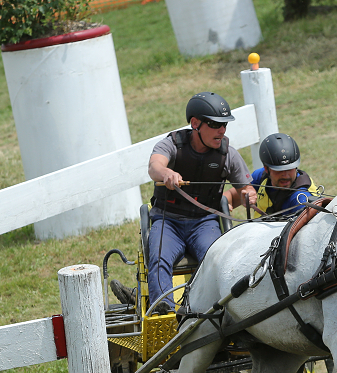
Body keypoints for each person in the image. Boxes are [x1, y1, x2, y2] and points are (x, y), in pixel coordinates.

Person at [110, 92, 257, 314]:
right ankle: (165, 312)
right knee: (158, 258)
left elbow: (245, 187)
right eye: (215, 124)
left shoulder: (229, 155)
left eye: (224, 125)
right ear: (195, 123)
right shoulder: (172, 144)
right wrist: (166, 172)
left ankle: (217, 312)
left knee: (218, 260)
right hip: (168, 221)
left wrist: (248, 195)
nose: (222, 130)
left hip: (204, 223)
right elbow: (154, 167)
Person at [250, 133, 321, 217]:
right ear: (267, 169)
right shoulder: (260, 176)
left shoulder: (300, 199)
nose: (285, 175)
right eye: (279, 170)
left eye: (289, 169)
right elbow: (234, 195)